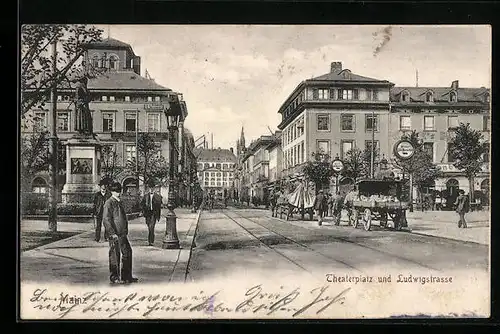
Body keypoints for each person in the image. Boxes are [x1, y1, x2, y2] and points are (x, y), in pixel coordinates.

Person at [102, 182, 138, 284]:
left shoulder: (118, 202)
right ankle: (115, 277)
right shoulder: (109, 203)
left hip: (122, 233)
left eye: (118, 190)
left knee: (127, 252)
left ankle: (126, 276)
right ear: (112, 191)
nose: (117, 193)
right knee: (114, 255)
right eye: (115, 191)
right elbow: (106, 219)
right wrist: (112, 233)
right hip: (115, 234)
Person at [140, 181, 162, 246]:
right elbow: (141, 204)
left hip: (153, 214)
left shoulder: (157, 196)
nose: (151, 189)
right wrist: (143, 211)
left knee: (151, 227)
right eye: (150, 188)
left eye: (152, 188)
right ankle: (151, 237)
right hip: (147, 214)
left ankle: (150, 241)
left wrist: (158, 216)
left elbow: (159, 207)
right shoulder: (145, 196)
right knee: (149, 226)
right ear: (148, 189)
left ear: (154, 188)